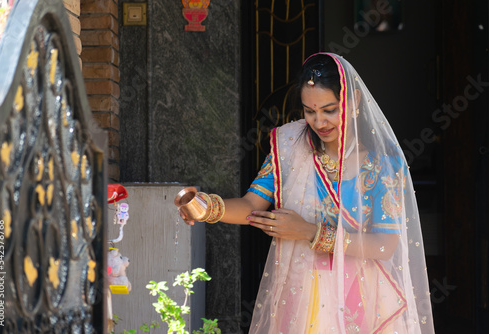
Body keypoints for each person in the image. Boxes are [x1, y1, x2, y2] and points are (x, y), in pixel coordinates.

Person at [179, 52, 434, 333]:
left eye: (329, 109)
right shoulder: (291, 148)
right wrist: (208, 207)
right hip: (301, 291)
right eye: (309, 111)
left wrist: (310, 232)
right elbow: (252, 204)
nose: (319, 121)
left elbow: (385, 246)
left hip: (363, 296)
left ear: (354, 101)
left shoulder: (382, 165)